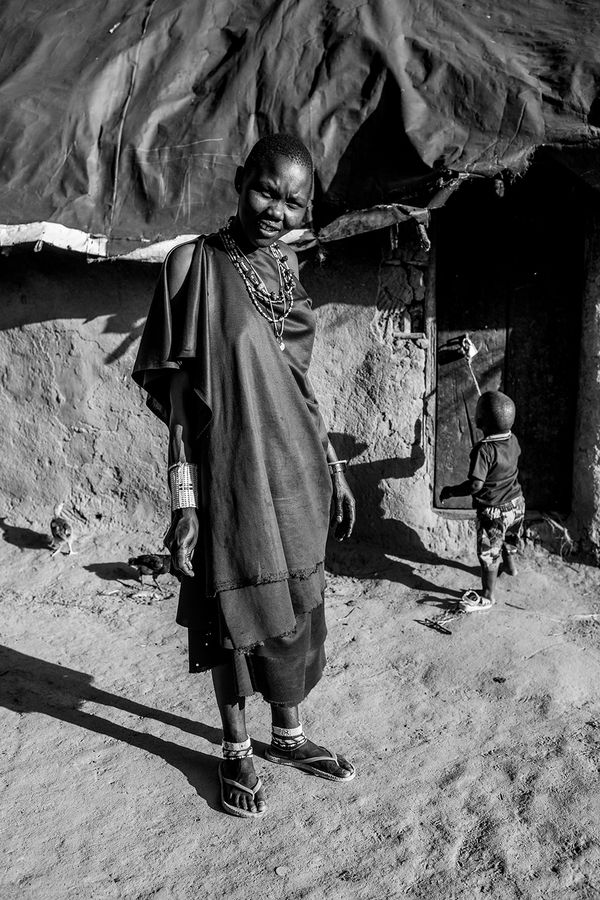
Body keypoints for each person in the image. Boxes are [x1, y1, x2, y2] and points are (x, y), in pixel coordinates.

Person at [132, 133, 356, 819]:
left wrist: (334, 465)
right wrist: (185, 503)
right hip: (228, 475)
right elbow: (179, 409)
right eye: (266, 191)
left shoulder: (287, 266)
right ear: (239, 180)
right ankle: (235, 749)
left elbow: (299, 386)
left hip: (296, 476)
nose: (276, 211)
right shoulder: (191, 265)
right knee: (230, 613)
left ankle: (287, 736)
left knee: (294, 611)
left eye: (293, 202)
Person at [440, 390, 524, 611]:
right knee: (509, 538)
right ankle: (511, 568)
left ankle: (487, 596)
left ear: (480, 421)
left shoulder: (484, 450)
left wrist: (451, 491)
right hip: (517, 504)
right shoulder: (513, 439)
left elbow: (476, 485)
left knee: (489, 554)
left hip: (494, 511)